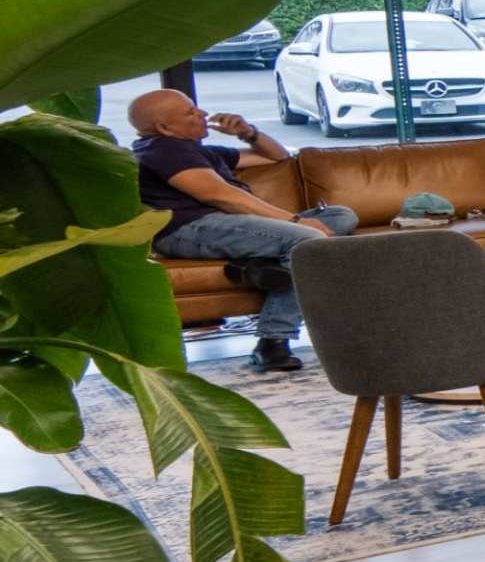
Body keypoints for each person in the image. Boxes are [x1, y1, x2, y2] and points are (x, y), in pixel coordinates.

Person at [130, 89, 354, 372]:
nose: (202, 113)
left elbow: (277, 157)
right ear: (164, 128)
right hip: (190, 228)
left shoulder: (197, 151)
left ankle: (258, 267)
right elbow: (221, 196)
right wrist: (295, 221)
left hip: (225, 225)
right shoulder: (163, 150)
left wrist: (248, 133)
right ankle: (273, 341)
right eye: (190, 112)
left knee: (340, 217)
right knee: (310, 242)